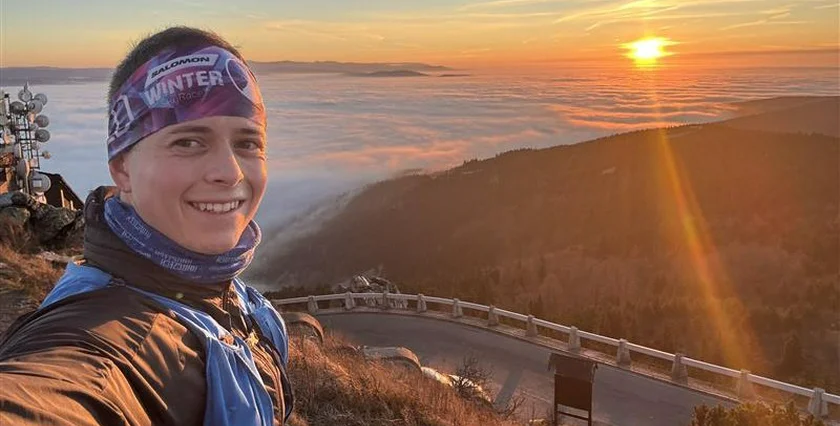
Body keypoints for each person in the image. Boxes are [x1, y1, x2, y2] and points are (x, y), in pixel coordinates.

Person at [0, 26, 293, 425]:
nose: (230, 172)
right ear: (123, 168)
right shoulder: (103, 346)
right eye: (188, 142)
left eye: (248, 143)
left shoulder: (231, 298)